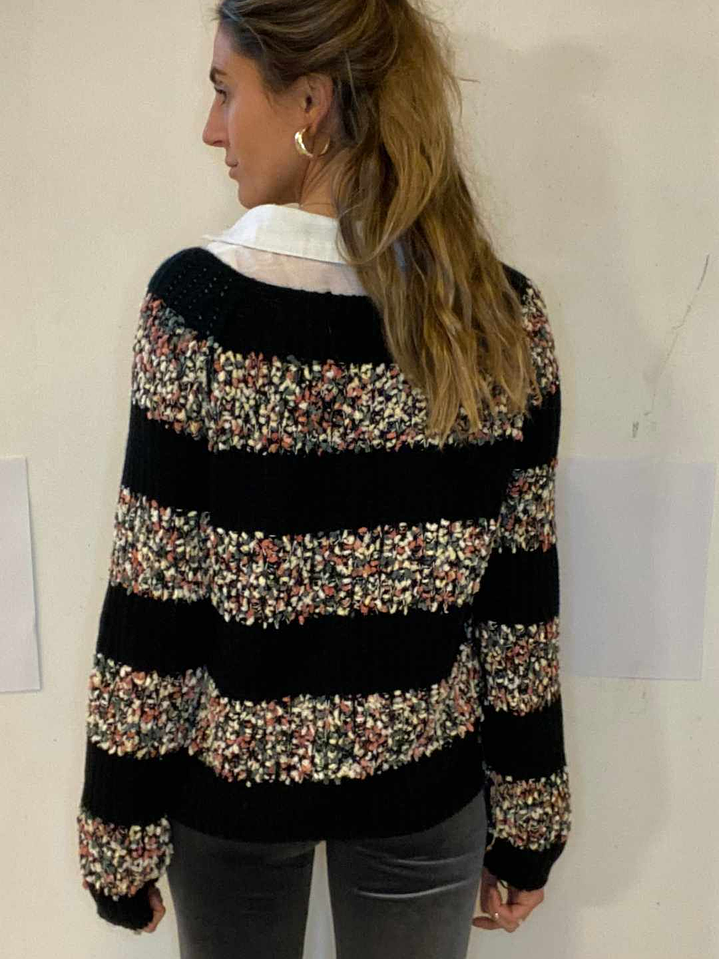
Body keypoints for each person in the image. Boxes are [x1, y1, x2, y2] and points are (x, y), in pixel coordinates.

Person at [76, 1, 572, 956]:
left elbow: (155, 596)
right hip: (423, 790)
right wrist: (528, 824)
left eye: (225, 92)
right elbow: (518, 607)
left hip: (233, 795)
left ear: (310, 99)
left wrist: (118, 834)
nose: (211, 129)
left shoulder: (199, 307)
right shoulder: (498, 316)